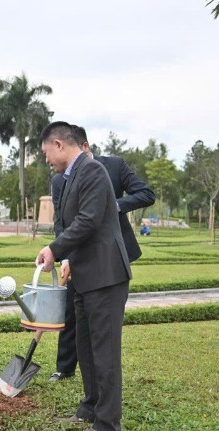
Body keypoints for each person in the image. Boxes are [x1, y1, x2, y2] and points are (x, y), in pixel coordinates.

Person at [37, 121, 132, 431]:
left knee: (104, 350)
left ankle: (107, 425)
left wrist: (54, 248)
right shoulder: (71, 176)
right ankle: (89, 408)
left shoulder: (91, 171)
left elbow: (88, 221)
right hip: (84, 273)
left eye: (47, 152)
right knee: (86, 346)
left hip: (105, 275)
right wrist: (66, 259)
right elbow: (70, 223)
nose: (47, 159)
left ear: (59, 145)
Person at [49, 125, 154, 382]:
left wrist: (113, 204)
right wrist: (64, 256)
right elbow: (61, 221)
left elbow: (146, 193)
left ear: (85, 146)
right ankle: (65, 366)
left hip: (108, 253)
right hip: (77, 253)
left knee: (101, 322)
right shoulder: (59, 178)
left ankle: (101, 391)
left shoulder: (113, 166)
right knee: (74, 312)